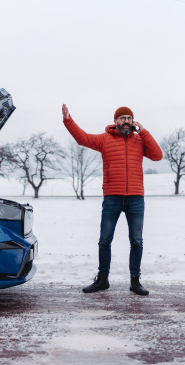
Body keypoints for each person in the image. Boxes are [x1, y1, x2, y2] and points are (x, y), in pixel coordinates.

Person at [62, 104, 163, 295]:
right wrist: (68, 119)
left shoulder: (140, 140)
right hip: (112, 198)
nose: (126, 121)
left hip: (135, 198)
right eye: (122, 118)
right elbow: (82, 138)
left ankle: (135, 282)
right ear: (115, 121)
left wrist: (144, 131)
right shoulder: (104, 139)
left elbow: (158, 156)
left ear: (133, 122)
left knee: (136, 241)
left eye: (129, 118)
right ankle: (102, 280)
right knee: (105, 240)